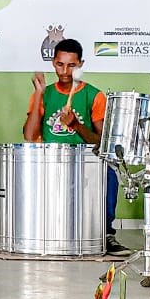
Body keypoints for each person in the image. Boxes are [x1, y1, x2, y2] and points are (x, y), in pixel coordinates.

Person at [22, 38, 126, 253]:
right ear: (53, 63)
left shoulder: (94, 95)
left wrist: (77, 126)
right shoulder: (44, 94)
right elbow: (30, 136)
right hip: (50, 160)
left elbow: (102, 141)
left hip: (85, 161)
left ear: (80, 65)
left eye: (71, 65)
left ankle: (106, 232)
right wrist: (39, 93)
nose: (65, 71)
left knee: (109, 171)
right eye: (60, 64)